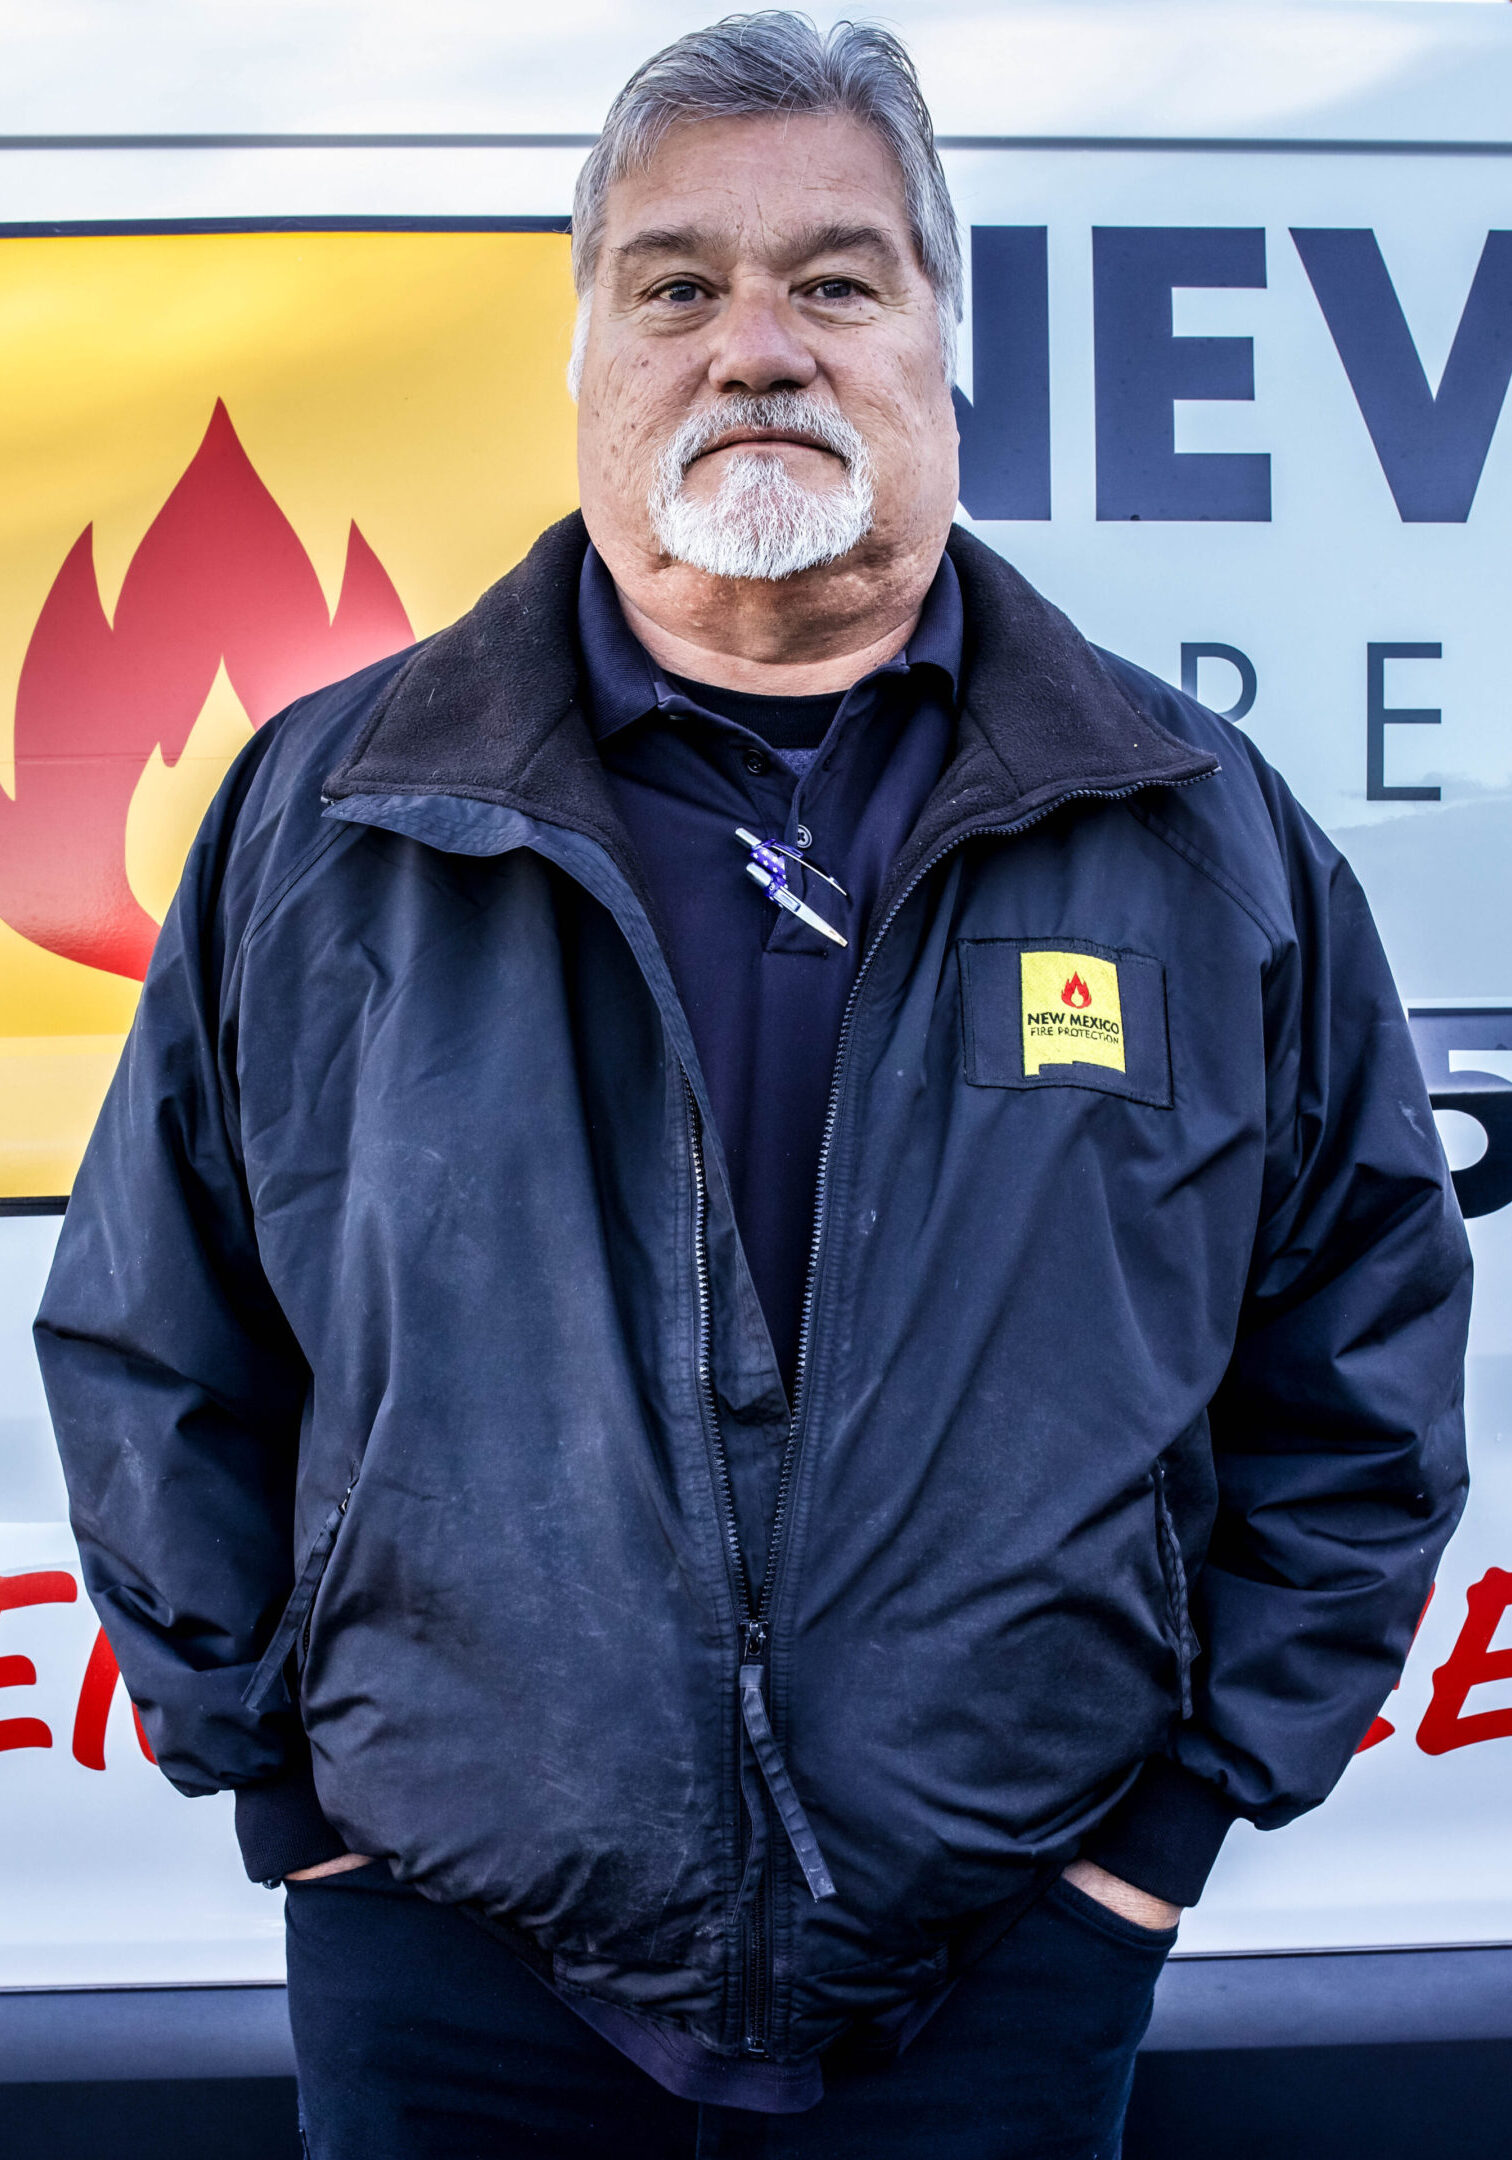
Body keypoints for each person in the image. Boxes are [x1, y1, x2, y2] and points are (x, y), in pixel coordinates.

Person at [37, 13, 1471, 2157]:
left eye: (837, 278)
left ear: (938, 345)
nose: (757, 345)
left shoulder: (1190, 827)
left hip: (1003, 1967)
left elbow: (1359, 1361)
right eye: (680, 282)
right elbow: (158, 1338)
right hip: (453, 1967)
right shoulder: (329, 817)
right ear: (587, 355)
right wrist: (287, 1812)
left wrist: (1151, 1850)